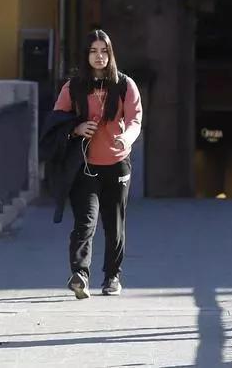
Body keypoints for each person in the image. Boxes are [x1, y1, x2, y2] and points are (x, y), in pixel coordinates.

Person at [52, 29, 143, 299]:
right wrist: (77, 128)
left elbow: (135, 120)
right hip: (85, 165)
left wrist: (126, 139)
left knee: (114, 224)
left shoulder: (125, 85)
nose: (99, 56)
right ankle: (80, 274)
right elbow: (56, 122)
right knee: (85, 221)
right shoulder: (73, 87)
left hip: (117, 164)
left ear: (111, 54)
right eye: (93, 51)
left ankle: (112, 276)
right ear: (86, 55)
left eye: (104, 51)